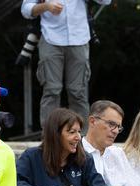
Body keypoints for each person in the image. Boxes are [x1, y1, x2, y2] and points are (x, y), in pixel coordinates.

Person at [22, 0, 111, 128]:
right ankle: (50, 136)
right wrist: (46, 6)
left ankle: (81, 138)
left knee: (78, 92)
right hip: (50, 38)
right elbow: (26, 10)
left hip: (79, 38)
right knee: (51, 90)